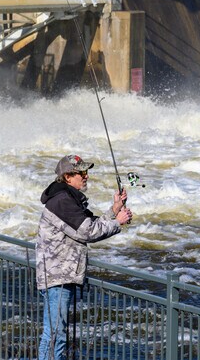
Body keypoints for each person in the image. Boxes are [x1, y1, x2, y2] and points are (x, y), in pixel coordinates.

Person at [36, 154, 133, 360]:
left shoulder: (68, 198)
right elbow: (88, 232)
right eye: (82, 173)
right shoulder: (62, 201)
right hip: (58, 278)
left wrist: (115, 210)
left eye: (86, 172)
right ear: (68, 177)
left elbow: (90, 223)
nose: (86, 176)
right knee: (55, 335)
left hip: (62, 275)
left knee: (55, 333)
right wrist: (118, 223)